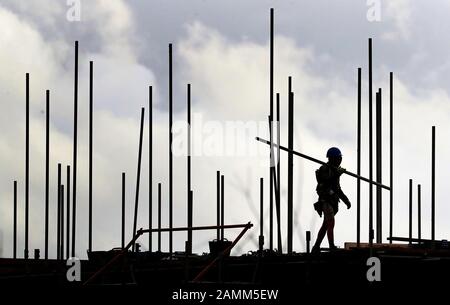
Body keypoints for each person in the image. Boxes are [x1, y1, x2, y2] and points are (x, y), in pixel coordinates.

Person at [312, 147, 351, 253]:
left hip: (332, 201)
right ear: (332, 159)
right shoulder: (325, 169)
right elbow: (325, 181)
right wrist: (337, 174)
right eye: (338, 158)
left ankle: (316, 246)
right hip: (326, 200)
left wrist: (345, 200)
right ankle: (331, 246)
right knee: (331, 222)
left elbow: (337, 188)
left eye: (340, 159)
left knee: (326, 225)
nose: (340, 161)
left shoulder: (334, 170)